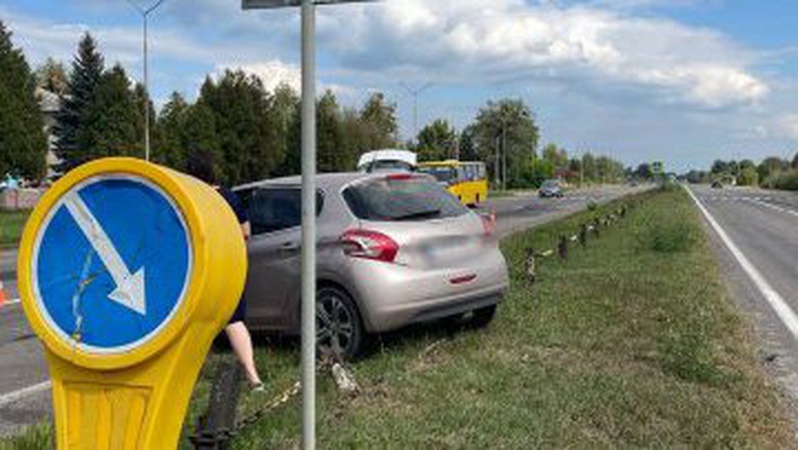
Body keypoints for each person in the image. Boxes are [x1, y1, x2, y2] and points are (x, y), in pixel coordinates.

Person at [186, 151, 264, 392]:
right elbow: (246, 232)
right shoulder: (230, 197)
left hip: (200, 267)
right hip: (230, 266)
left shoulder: (193, 198)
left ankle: (188, 379)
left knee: (195, 322)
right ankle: (253, 378)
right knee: (234, 320)